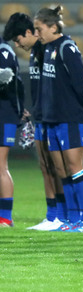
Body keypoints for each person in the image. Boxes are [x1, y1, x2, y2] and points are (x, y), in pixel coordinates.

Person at [36, 6, 83, 232]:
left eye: (39, 28)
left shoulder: (67, 48)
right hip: (53, 119)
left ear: (53, 27)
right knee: (62, 170)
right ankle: (71, 219)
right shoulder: (49, 48)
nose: (37, 33)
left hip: (71, 118)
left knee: (75, 168)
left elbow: (82, 80)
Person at [3, 13, 65, 230]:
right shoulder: (37, 53)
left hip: (56, 116)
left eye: (18, 40)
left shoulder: (52, 50)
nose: (18, 45)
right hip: (41, 114)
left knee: (61, 167)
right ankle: (53, 215)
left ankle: (69, 216)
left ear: (28, 33)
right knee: (46, 165)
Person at [0, 19, 24, 228]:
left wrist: (19, 110)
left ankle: (6, 218)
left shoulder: (4, 50)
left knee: (1, 166)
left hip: (4, 114)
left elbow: (8, 79)